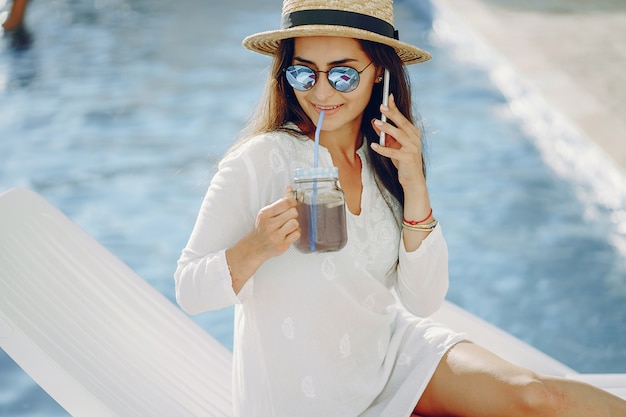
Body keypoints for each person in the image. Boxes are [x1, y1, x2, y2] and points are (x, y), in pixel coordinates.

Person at [175, 0, 626, 415]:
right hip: (306, 398)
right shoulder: (257, 162)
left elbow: (423, 300)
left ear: (379, 73)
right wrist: (256, 246)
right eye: (304, 73)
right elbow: (189, 289)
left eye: (343, 74)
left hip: (393, 357)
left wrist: (413, 182)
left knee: (539, 397)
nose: (321, 92)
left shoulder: (385, 162)